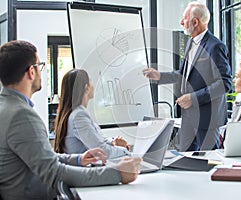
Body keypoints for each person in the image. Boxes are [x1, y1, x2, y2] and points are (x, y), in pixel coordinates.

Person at [0, 40, 142, 200]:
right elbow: (53, 172)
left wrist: (79, 159)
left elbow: (41, 157)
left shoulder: (7, 106)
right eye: (40, 66)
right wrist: (117, 174)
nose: (41, 71)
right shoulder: (21, 115)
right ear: (31, 72)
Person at [142, 2, 232, 151]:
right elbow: (184, 75)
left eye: (184, 18)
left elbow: (224, 83)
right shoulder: (191, 43)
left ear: (195, 22)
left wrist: (193, 98)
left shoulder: (215, 46)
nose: (181, 22)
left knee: (207, 162)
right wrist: (159, 76)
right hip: (189, 117)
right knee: (185, 158)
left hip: (208, 119)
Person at [54, 68, 131, 158]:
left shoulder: (75, 113)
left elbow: (97, 140)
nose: (93, 86)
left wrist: (113, 142)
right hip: (84, 170)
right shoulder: (78, 116)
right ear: (86, 88)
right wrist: (125, 151)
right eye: (91, 82)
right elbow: (101, 151)